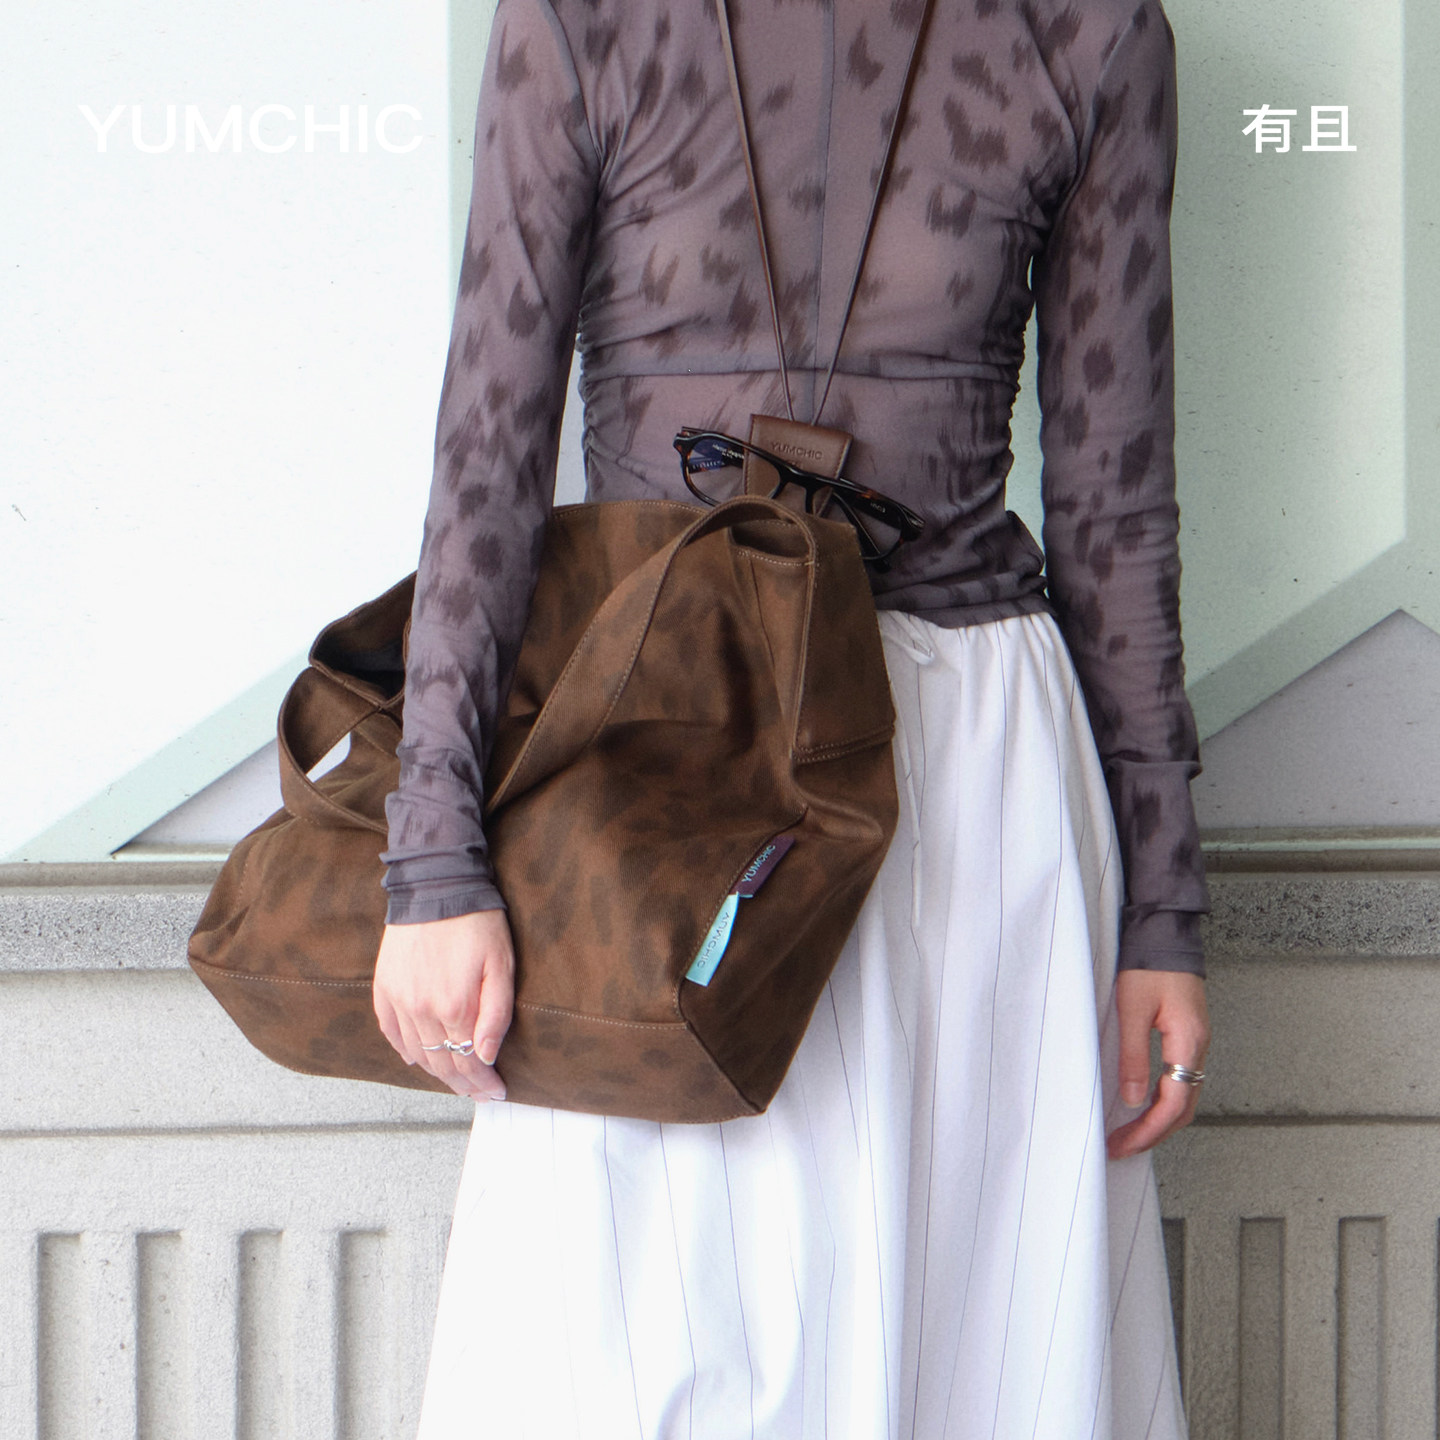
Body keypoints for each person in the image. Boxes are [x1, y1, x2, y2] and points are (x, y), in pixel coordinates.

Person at [373, 0, 1212, 1432]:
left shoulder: (1093, 33)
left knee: (974, 1352)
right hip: (652, 760)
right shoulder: (578, 18)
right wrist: (433, 861)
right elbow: (485, 458)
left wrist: (1164, 918)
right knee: (632, 1352)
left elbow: (1116, 511)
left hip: (968, 782)